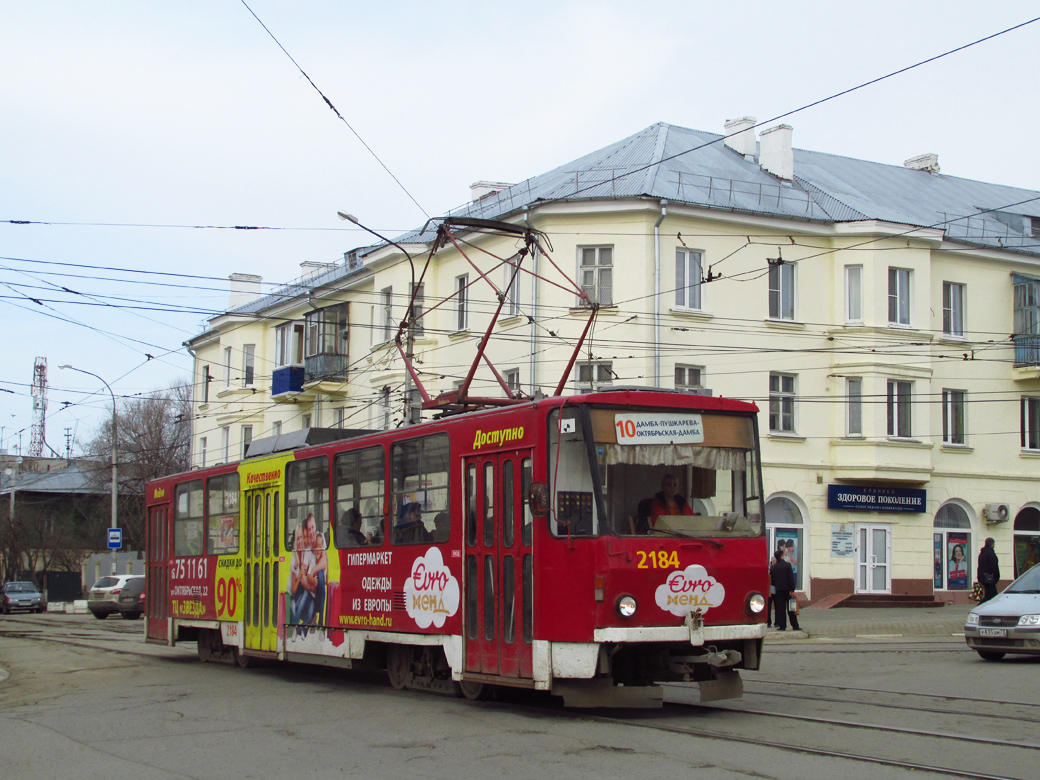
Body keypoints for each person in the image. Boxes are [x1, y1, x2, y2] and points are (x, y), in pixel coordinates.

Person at [769, 549, 800, 631]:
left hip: (778, 590)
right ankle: (795, 626)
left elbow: (771, 580)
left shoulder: (773, 567)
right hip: (788, 590)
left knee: (780, 608)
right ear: (782, 556)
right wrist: (792, 589)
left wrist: (774, 589)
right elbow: (791, 578)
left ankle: (782, 626)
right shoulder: (787, 565)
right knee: (791, 608)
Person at [977, 537, 1000, 604]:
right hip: (990, 578)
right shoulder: (990, 553)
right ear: (992, 544)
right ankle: (979, 608)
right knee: (991, 596)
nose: (994, 545)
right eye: (993, 543)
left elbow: (980, 566)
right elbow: (994, 566)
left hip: (984, 577)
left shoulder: (982, 553)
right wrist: (997, 576)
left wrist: (979, 578)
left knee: (990, 595)